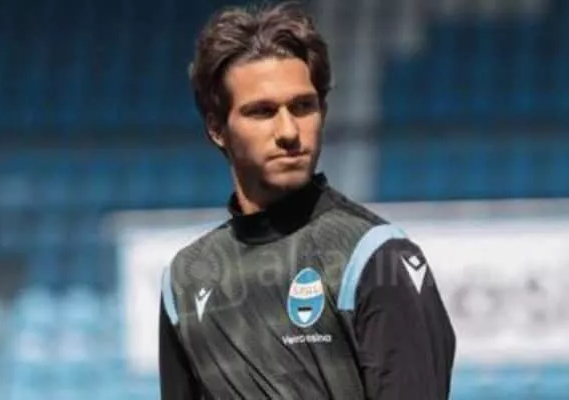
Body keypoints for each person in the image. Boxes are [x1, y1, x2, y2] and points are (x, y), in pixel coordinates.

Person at [159, 2, 456, 399]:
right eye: (262, 112)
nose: (288, 131)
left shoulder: (376, 259)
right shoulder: (185, 279)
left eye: (302, 107)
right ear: (217, 128)